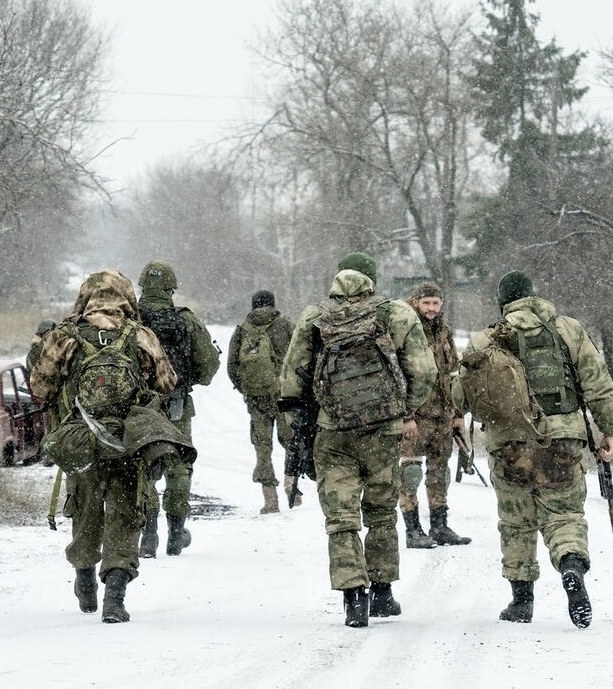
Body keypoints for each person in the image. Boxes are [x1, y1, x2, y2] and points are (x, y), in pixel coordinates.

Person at [278, 251, 436, 628]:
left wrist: (304, 426)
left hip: (333, 432)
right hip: (383, 432)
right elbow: (424, 372)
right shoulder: (396, 314)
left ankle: (352, 597)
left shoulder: (314, 317)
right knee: (381, 511)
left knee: (342, 517)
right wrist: (401, 408)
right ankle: (382, 593)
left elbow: (291, 379)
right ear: (372, 280)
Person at [465, 270, 613, 629]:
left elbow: (464, 395)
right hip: (562, 439)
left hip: (509, 444)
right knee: (564, 514)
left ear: (503, 302)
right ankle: (570, 564)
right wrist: (608, 430)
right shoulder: (568, 330)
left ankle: (521, 601)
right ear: (534, 295)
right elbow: (597, 384)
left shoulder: (486, 339)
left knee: (516, 521)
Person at [29, 268, 179, 623]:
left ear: (85, 297)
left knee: (84, 510)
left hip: (81, 440)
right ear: (126, 297)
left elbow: (40, 389)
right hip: (127, 441)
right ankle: (115, 597)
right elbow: (166, 383)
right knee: (126, 515)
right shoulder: (140, 335)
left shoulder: (64, 335)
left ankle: (84, 577)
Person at [135, 260, 220, 558]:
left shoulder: (130, 320)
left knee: (142, 465)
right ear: (171, 288)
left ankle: (148, 534)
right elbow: (207, 368)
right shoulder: (185, 320)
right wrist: (184, 377)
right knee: (179, 465)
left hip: (139, 407)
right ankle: (176, 532)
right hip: (177, 403)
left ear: (142, 286)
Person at [399, 281, 471, 549]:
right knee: (410, 472)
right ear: (416, 302)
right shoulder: (406, 329)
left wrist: (458, 413)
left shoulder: (444, 331)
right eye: (426, 303)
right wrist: (406, 416)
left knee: (440, 471)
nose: (431, 308)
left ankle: (439, 527)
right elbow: (399, 376)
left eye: (435, 303)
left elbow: (454, 374)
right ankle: (413, 529)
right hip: (415, 416)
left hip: (443, 414)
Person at [227, 289, 295, 513]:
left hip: (257, 399)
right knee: (291, 441)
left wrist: (247, 389)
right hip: (285, 395)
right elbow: (300, 356)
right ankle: (292, 485)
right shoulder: (286, 325)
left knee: (262, 447)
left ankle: (270, 500)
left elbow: (231, 366)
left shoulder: (242, 330)